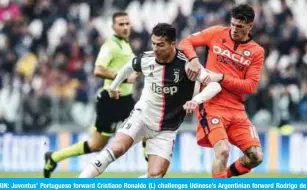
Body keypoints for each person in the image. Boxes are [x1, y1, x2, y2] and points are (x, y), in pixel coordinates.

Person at [78, 23, 221, 178]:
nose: (155, 48)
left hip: (167, 129)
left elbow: (215, 86)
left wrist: (196, 100)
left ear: (172, 44)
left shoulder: (187, 64)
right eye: (153, 43)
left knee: (156, 175)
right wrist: (114, 86)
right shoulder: (147, 59)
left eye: (160, 45)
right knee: (117, 148)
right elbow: (128, 67)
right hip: (142, 117)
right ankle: (81, 181)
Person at [43, 11, 139, 178]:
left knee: (146, 126)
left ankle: (154, 176)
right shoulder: (110, 46)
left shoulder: (126, 45)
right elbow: (98, 70)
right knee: (96, 145)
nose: (125, 27)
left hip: (126, 100)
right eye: (120, 24)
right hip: (111, 101)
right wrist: (124, 78)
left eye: (127, 23)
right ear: (113, 27)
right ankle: (54, 157)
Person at [178, 4, 265, 178]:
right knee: (223, 150)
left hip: (237, 109)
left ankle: (223, 179)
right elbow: (185, 42)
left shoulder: (256, 51)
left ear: (250, 26)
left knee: (256, 156)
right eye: (233, 24)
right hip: (211, 104)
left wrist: (222, 77)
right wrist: (193, 59)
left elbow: (250, 86)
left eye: (240, 26)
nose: (234, 29)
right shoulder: (217, 33)